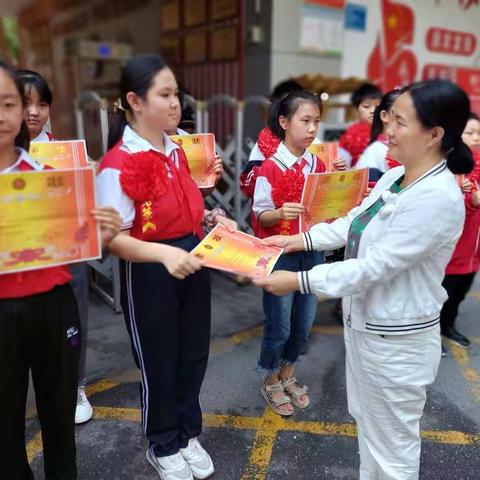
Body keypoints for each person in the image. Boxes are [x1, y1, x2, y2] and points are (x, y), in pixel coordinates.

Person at [255, 80, 473, 479]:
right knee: (369, 430)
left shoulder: (437, 198)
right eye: (387, 117)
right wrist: (296, 240)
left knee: (393, 450)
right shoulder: (396, 179)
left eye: (399, 121)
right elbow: (351, 223)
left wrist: (300, 281)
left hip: (398, 344)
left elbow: (375, 266)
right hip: (367, 331)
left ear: (434, 135)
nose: (385, 127)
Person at [96, 54, 236, 480]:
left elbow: (186, 207)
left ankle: (188, 432)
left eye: (177, 94)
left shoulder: (176, 150)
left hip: (193, 261)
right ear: (135, 101)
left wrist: (211, 219)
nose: (177, 104)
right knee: (159, 360)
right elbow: (112, 238)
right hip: (152, 272)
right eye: (165, 95)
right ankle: (163, 442)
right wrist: (163, 254)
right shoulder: (118, 164)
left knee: (193, 354)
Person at [0, 60, 121, 480]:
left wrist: (100, 228)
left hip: (53, 308)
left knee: (59, 426)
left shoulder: (55, 177)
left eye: (10, 103)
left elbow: (84, 242)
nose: (3, 114)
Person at [17, 68, 94, 424]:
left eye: (42, 104)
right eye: (25, 102)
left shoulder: (65, 152)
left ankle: (76, 384)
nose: (34, 111)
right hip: (18, 261)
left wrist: (88, 175)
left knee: (73, 317)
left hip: (66, 254)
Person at [252, 90, 328, 416]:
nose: (312, 129)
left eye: (316, 122)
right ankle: (270, 378)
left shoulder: (317, 163)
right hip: (280, 255)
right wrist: (280, 213)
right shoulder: (270, 168)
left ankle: (288, 373)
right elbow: (258, 215)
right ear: (284, 122)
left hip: (311, 251)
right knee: (279, 324)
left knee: (304, 322)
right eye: (305, 120)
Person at [440, 112, 480, 352]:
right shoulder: (451, 166)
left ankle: (448, 326)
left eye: (479, 133)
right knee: (442, 295)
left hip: (474, 252)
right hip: (453, 249)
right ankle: (431, 334)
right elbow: (446, 210)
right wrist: (471, 202)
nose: (476, 137)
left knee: (458, 295)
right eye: (470, 132)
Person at [356, 88, 405, 182]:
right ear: (384, 116)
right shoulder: (374, 152)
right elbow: (370, 192)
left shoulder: (414, 149)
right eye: (402, 113)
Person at [339, 83, 382, 168]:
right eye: (366, 106)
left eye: (377, 106)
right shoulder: (350, 136)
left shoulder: (389, 131)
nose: (373, 110)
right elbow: (343, 165)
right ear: (356, 111)